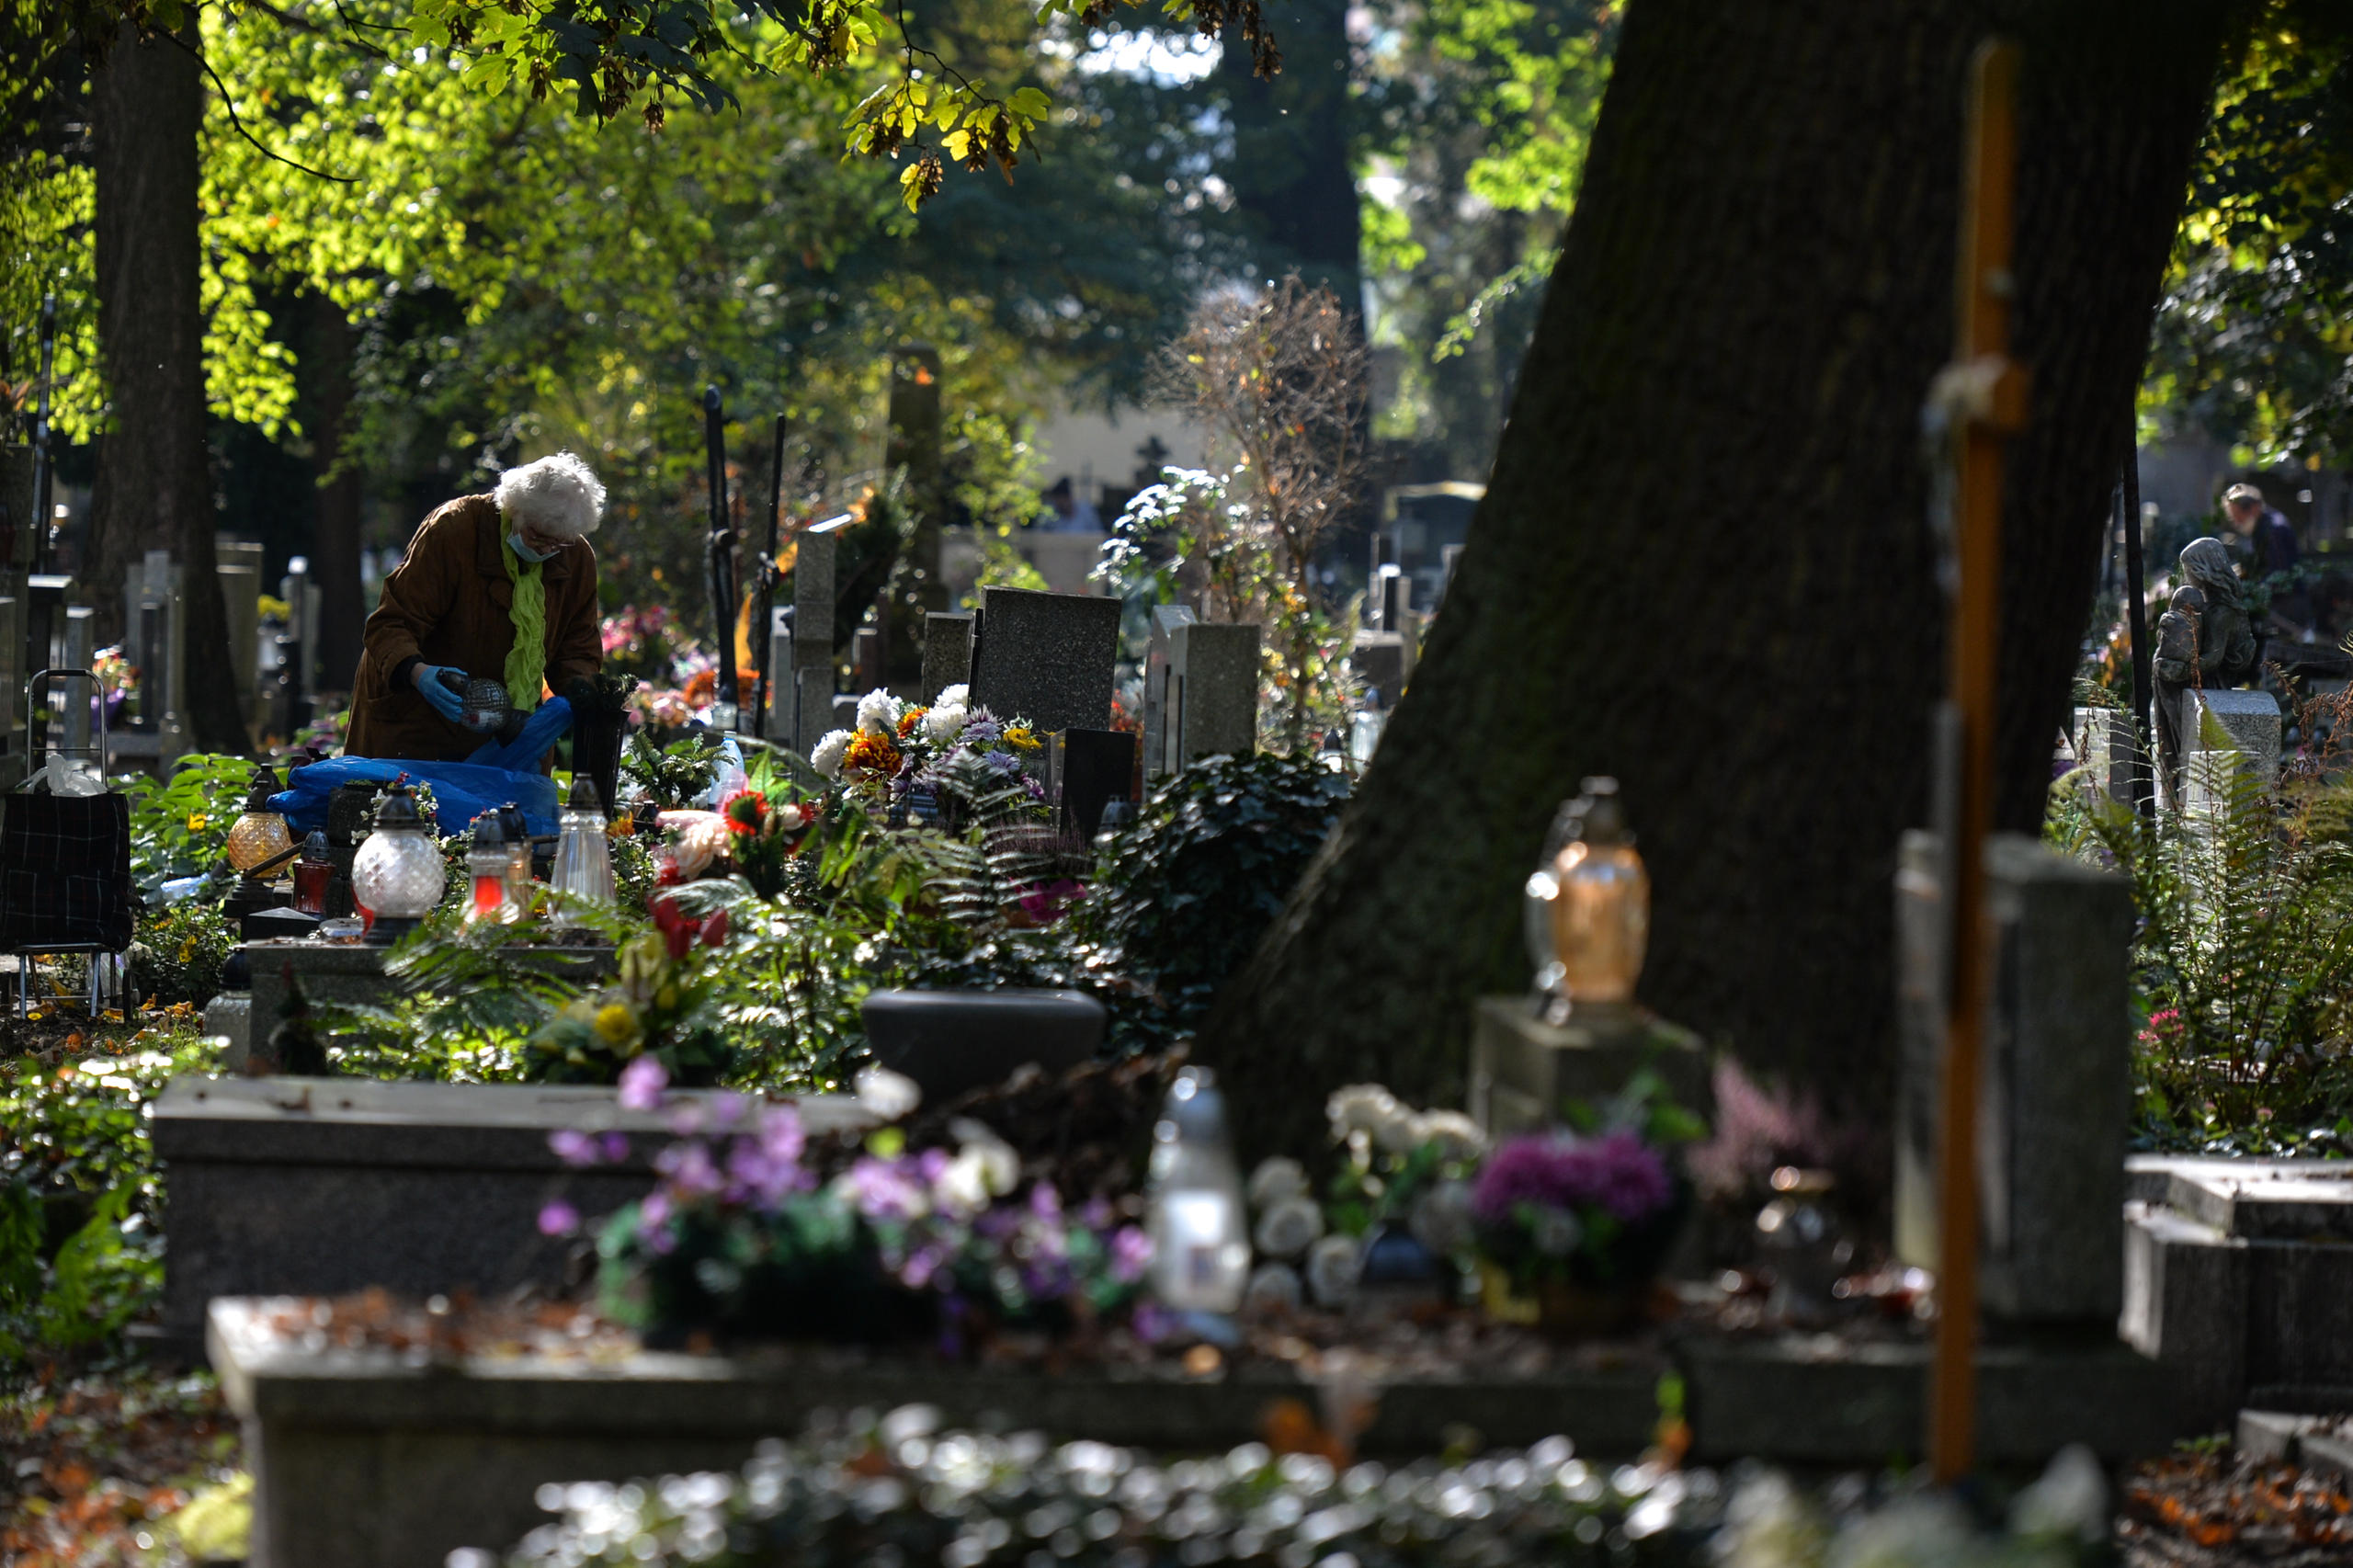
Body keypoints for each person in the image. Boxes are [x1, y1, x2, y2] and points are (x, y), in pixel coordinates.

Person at [345, 452, 606, 762]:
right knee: (413, 807)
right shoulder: (455, 528)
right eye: (537, 536)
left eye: (558, 544)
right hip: (419, 722)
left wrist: (577, 696)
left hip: (513, 732)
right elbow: (391, 623)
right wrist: (418, 672)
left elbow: (578, 648)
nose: (547, 549)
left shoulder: (575, 557)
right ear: (514, 510)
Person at [2152, 535, 2258, 808]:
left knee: (2179, 737)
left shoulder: (2222, 613)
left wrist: (2180, 669)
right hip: (2199, 681)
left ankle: (2176, 771)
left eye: (2188, 569)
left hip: (2211, 683)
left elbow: (2212, 659)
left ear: (2204, 570)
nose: (2186, 575)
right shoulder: (2207, 605)